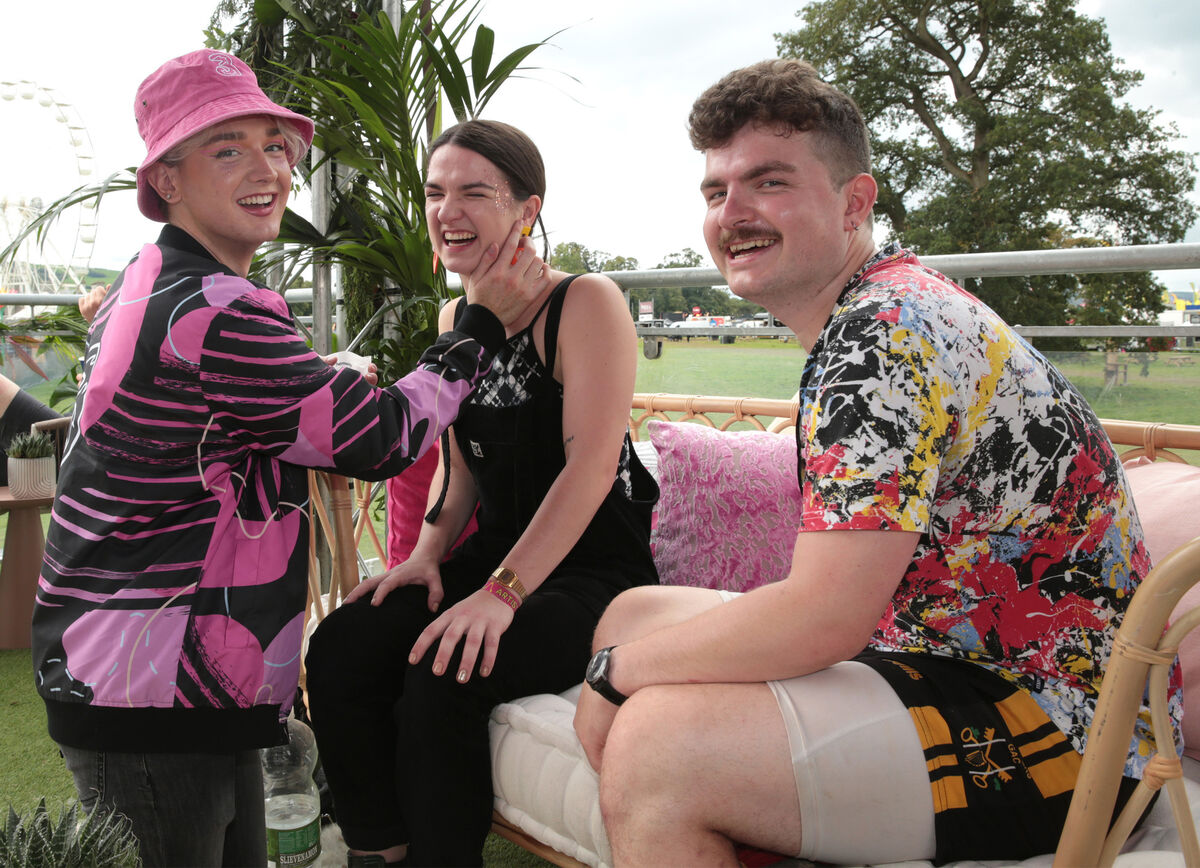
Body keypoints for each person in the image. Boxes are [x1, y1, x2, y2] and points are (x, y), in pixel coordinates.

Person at [573, 59, 1176, 867]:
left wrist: (617, 679)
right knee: (634, 614)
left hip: (1073, 734)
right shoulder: (875, 309)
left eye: (769, 182)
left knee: (660, 746)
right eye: (716, 192)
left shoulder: (884, 335)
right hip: (933, 648)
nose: (734, 212)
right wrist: (630, 657)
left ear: (856, 201)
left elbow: (825, 616)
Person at [31, 51, 549, 867]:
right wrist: (477, 327)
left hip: (148, 673)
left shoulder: (151, 280)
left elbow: (226, 412)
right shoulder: (213, 308)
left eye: (276, 146)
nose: (267, 169)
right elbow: (383, 437)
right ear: (165, 179)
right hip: (156, 687)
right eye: (227, 147)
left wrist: (327, 379)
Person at [304, 119, 659, 868]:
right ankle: (383, 850)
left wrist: (499, 595)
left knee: (446, 671)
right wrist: (428, 555)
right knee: (341, 644)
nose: (446, 211)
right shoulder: (459, 320)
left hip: (596, 577)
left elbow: (592, 470)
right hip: (497, 561)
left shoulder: (585, 303)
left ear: (527, 209)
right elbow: (460, 467)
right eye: (436, 193)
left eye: (474, 192)